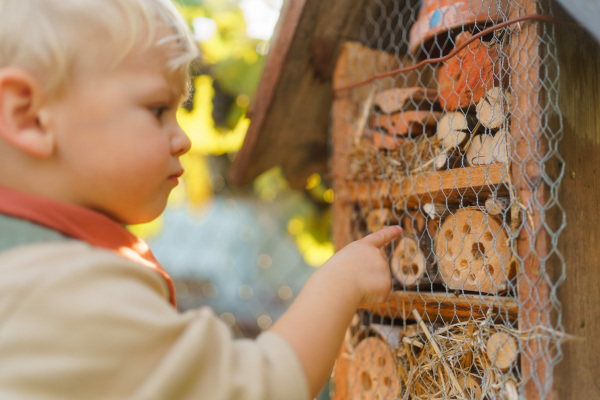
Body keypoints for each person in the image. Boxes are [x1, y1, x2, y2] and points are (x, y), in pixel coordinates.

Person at [0, 0, 403, 399]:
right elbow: (258, 388)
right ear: (29, 116)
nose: (184, 139)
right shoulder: (65, 290)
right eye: (157, 109)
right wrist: (340, 283)